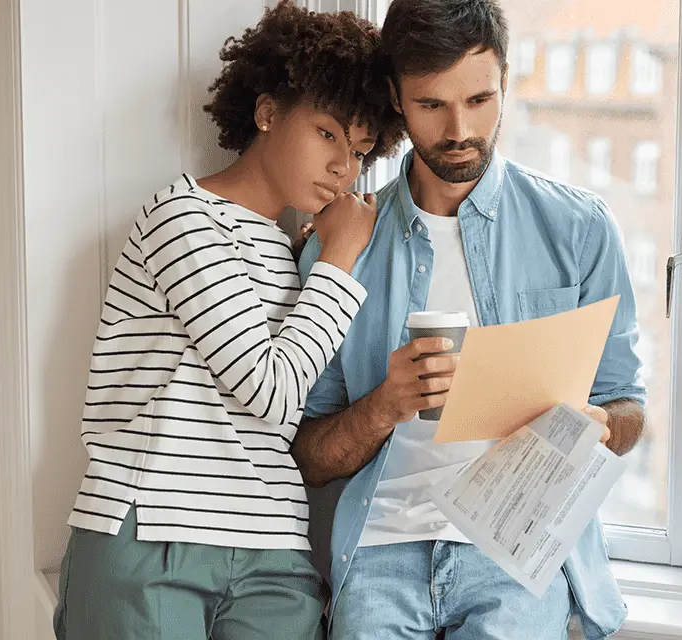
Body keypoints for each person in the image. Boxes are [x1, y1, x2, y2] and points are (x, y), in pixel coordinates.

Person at [291, 0, 646, 638]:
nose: (460, 128)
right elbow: (308, 457)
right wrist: (383, 407)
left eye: (480, 100)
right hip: (381, 550)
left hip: (517, 550)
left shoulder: (578, 230)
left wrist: (595, 426)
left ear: (505, 79)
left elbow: (628, 410)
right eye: (432, 105)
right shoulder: (342, 244)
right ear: (396, 98)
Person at [53, 3, 403, 639]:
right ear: (267, 112)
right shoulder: (183, 217)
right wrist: (343, 257)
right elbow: (268, 390)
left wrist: (324, 259)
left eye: (358, 151)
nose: (343, 168)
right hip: (152, 536)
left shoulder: (294, 249)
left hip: (273, 550)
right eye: (327, 134)